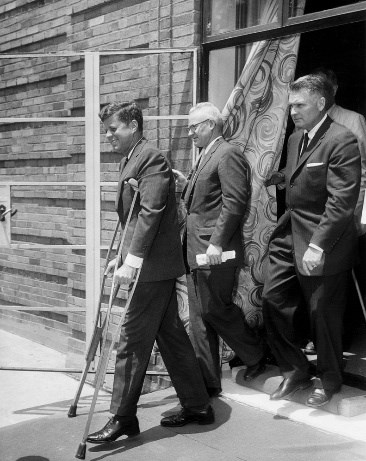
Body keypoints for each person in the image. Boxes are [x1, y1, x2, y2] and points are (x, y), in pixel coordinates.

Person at [87, 101, 214, 444]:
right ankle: (199, 405)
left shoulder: (152, 158)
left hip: (153, 269)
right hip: (150, 265)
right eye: (107, 129)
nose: (109, 135)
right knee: (171, 336)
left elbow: (151, 212)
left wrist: (134, 260)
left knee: (130, 340)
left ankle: (123, 416)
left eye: (114, 128)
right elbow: (133, 219)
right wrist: (123, 255)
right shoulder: (131, 158)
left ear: (133, 125)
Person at [262, 75, 361, 407]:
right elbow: (303, 179)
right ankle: (297, 369)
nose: (292, 111)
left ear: (320, 103)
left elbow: (342, 200)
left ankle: (330, 379)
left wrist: (318, 246)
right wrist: (281, 179)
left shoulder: (342, 139)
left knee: (323, 313)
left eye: (299, 104)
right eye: (290, 105)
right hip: (289, 234)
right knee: (272, 300)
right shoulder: (295, 140)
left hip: (324, 241)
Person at [174, 102, 265, 398]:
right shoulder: (207, 154)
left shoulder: (227, 153)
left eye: (194, 127)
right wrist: (187, 184)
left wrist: (216, 242)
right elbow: (209, 201)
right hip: (195, 250)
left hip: (213, 252)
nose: (189, 133)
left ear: (211, 124)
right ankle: (208, 381)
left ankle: (256, 356)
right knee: (200, 319)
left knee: (216, 310)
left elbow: (235, 202)